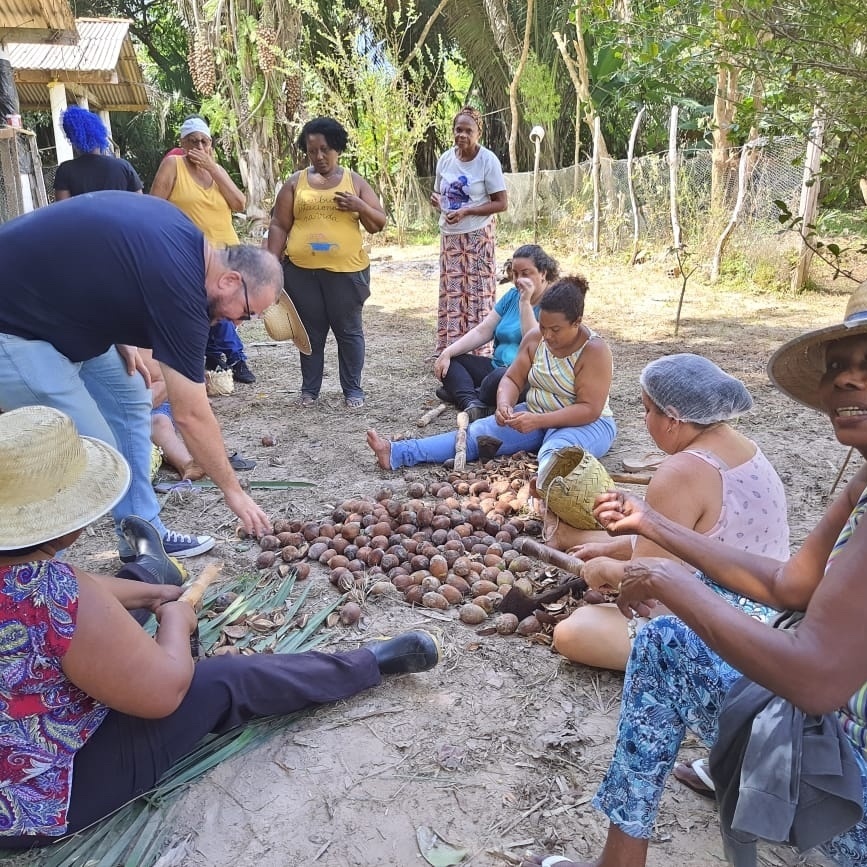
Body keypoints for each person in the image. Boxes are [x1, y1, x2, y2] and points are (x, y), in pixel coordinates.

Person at [521, 283, 867, 867]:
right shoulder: (862, 481)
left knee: (658, 642)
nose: (847, 381)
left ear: (674, 418)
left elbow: (815, 680)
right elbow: (789, 586)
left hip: (850, 792)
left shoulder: (686, 468)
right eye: (838, 366)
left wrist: (671, 584)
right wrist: (654, 526)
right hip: (834, 733)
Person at [0, 405, 440, 846]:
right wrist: (175, 619)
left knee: (118, 598)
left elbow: (80, 589)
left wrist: (151, 596)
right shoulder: (58, 594)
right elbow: (164, 692)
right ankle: (367, 665)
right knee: (220, 679)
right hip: (34, 803)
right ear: (64, 525)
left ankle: (153, 573)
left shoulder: (50, 585)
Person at [0, 191, 305, 556]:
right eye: (244, 314)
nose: (238, 324)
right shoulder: (184, 291)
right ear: (229, 281)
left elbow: (104, 262)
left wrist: (117, 330)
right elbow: (191, 414)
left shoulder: (189, 243)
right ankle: (33, 577)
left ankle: (143, 540)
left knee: (131, 397)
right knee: (89, 451)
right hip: (14, 327)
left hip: (57, 315)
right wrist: (233, 492)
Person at [551, 354, 790, 672]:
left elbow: (644, 579)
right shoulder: (743, 446)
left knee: (572, 631)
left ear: (673, 419)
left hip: (726, 635)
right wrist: (613, 549)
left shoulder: (680, 472)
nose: (643, 418)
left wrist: (604, 569)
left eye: (648, 410)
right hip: (772, 614)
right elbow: (697, 538)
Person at [367, 275, 616, 472]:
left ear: (577, 322)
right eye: (543, 326)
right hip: (537, 414)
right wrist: (505, 404)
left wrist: (539, 421)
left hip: (588, 424)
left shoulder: (593, 350)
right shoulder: (534, 339)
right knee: (475, 435)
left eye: (556, 329)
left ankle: (540, 507)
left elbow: (589, 409)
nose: (548, 335)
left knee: (555, 454)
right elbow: (511, 378)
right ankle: (397, 453)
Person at [265, 117, 387, 410]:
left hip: (347, 274)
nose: (319, 157)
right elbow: (279, 225)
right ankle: (310, 391)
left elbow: (378, 222)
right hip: (302, 274)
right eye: (312, 151)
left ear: (337, 149)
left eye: (325, 150)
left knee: (348, 331)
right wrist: (269, 265)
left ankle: (353, 390)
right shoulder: (295, 183)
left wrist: (359, 206)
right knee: (309, 332)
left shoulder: (354, 182)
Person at [151, 115, 256, 385]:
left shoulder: (215, 170)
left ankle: (215, 357)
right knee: (209, 306)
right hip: (190, 254)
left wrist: (214, 168)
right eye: (193, 141)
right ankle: (234, 358)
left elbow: (239, 203)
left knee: (219, 309)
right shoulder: (173, 165)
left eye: (204, 141)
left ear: (211, 145)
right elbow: (153, 208)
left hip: (227, 254)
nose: (199, 146)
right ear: (182, 144)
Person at [434, 244, 558, 421]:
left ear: (543, 273)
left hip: (525, 376)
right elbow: (483, 331)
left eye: (525, 273)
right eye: (515, 274)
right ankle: (473, 403)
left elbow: (533, 343)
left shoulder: (553, 302)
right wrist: (448, 352)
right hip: (496, 366)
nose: (518, 280)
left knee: (500, 377)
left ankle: (464, 394)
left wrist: (525, 303)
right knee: (452, 362)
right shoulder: (511, 295)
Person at [430, 106, 508, 356]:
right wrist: (438, 202)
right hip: (450, 237)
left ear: (478, 134)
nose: (462, 135)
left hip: (477, 236)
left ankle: (479, 350)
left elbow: (501, 203)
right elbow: (439, 193)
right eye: (458, 130)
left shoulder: (487, 161)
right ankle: (450, 348)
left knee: (477, 291)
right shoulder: (446, 159)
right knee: (452, 291)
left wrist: (467, 211)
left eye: (468, 130)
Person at [53, 105, 143, 200]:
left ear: (73, 139)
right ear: (100, 132)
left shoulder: (65, 171)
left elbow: (64, 211)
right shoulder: (124, 167)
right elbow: (139, 204)